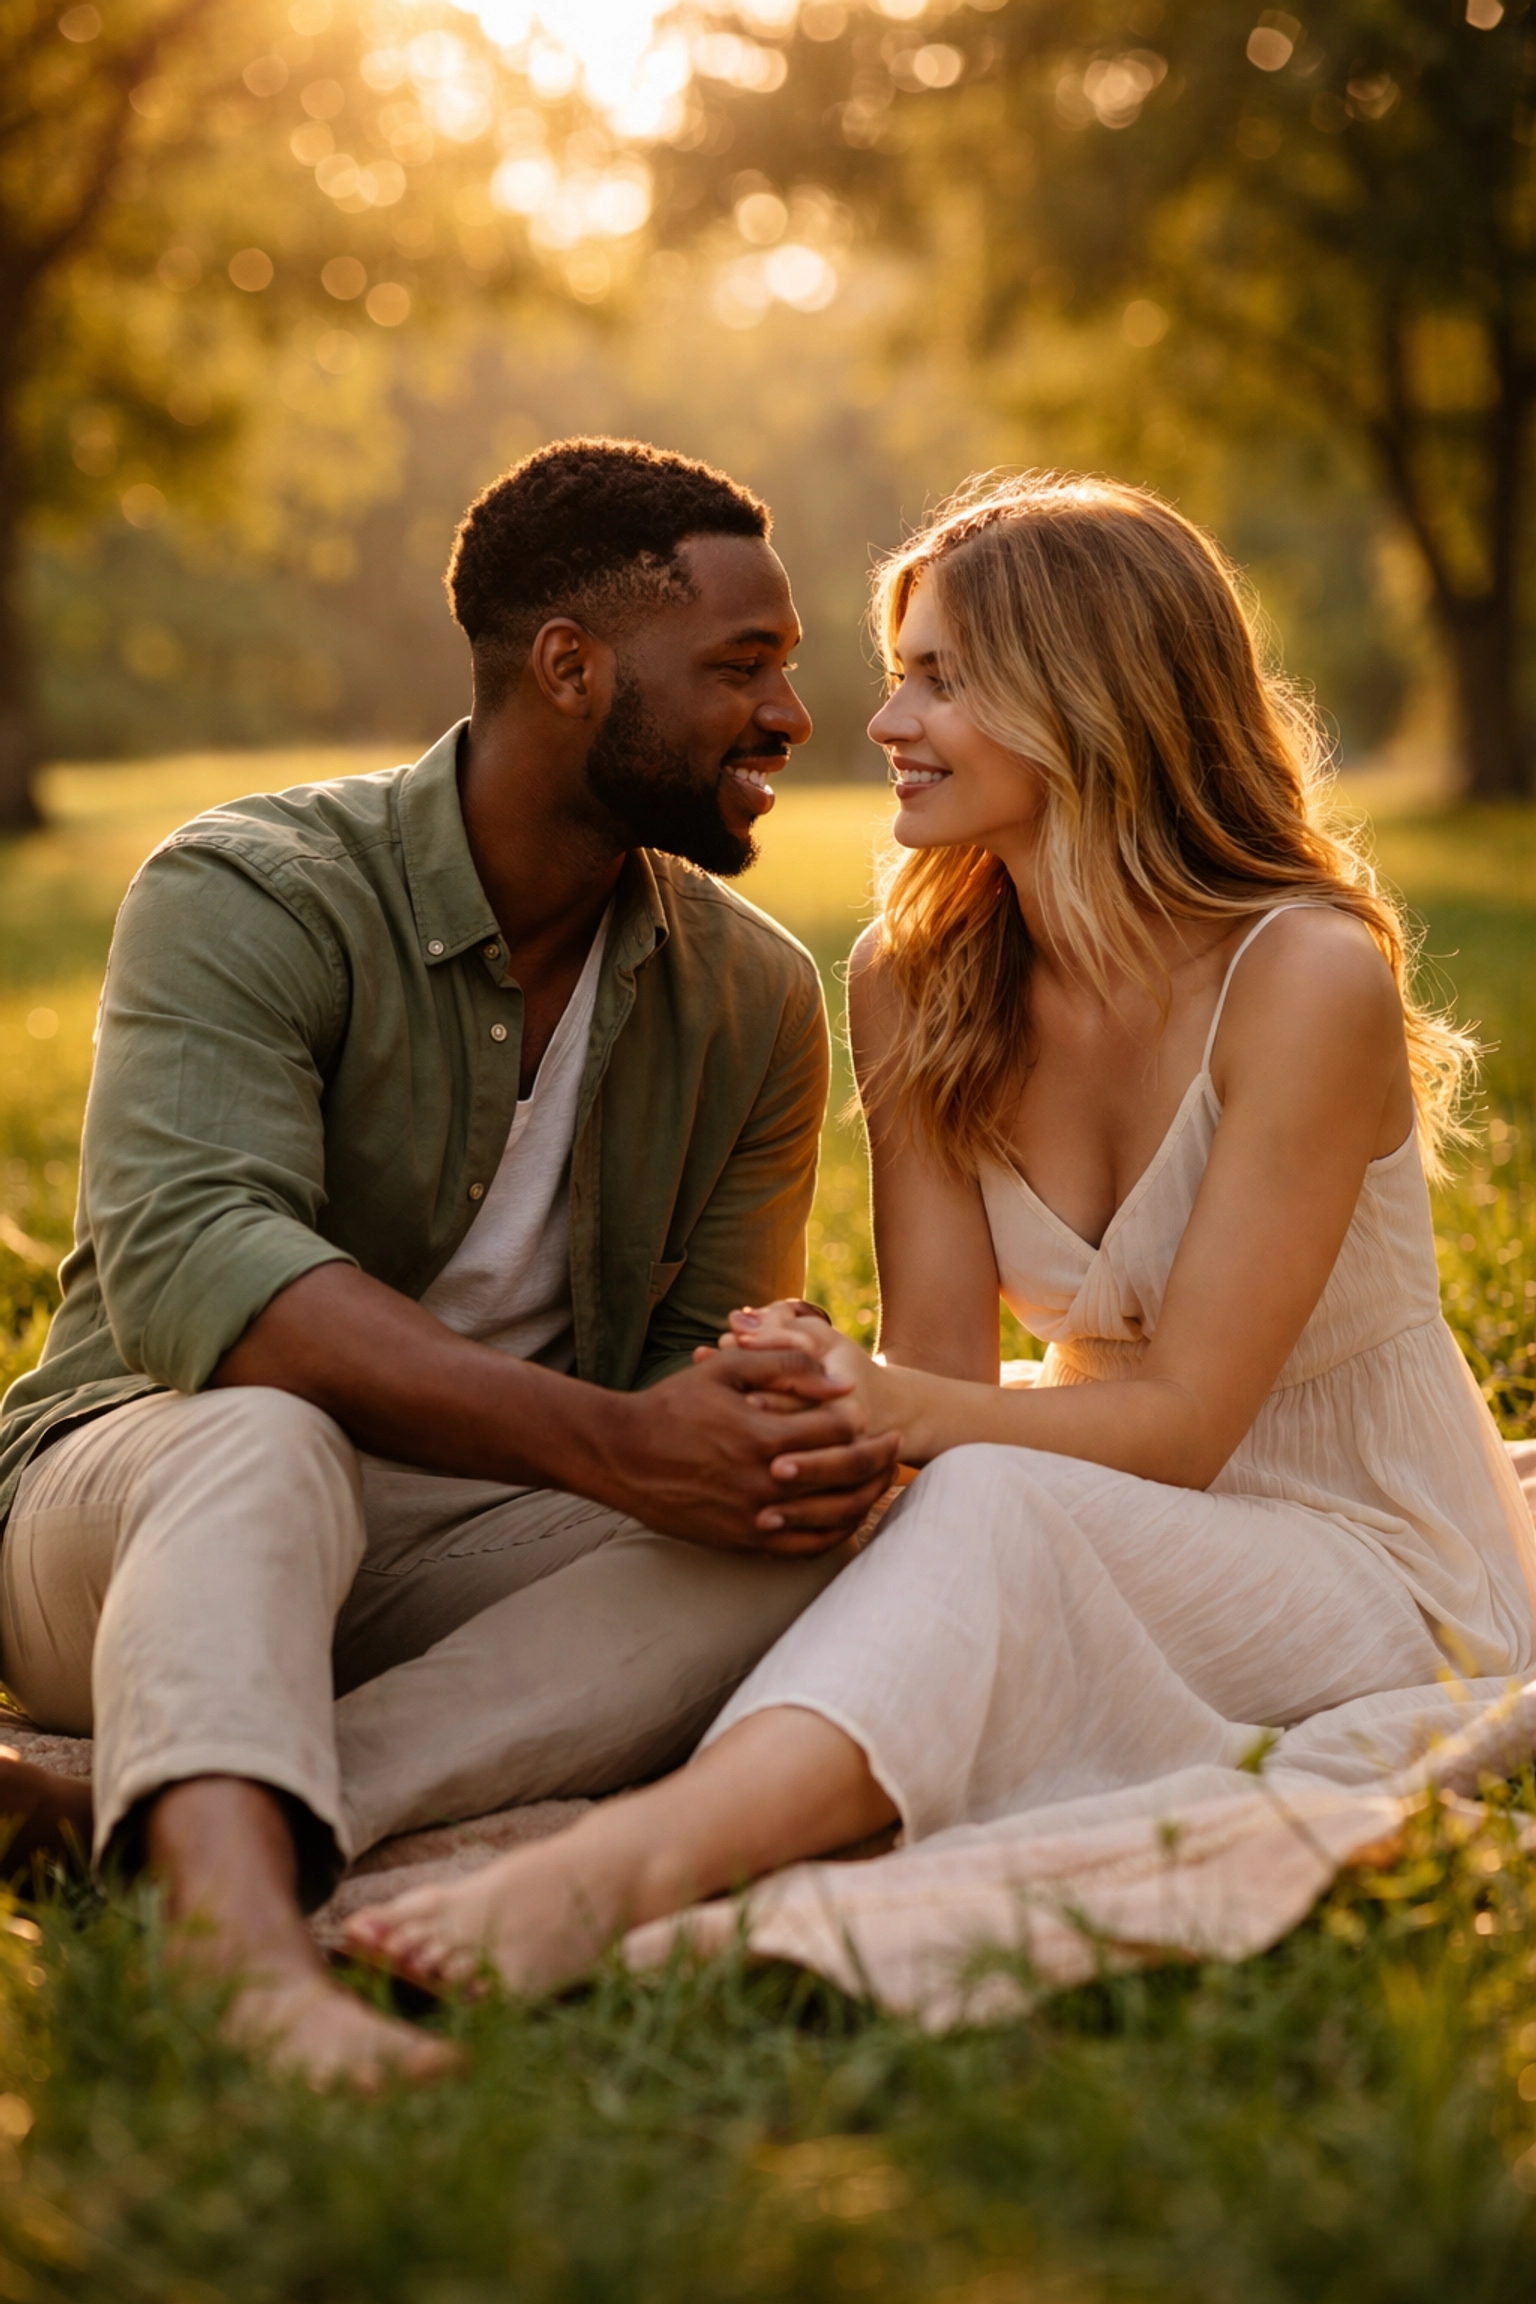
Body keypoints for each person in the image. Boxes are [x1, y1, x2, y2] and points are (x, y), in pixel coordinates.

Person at [343, 470, 1536, 1998]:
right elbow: (942, 1371)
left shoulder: (1302, 979)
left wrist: (907, 1411)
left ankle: (617, 1867)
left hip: (1363, 1550)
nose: (885, 723)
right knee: (873, 1510)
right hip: (1088, 1499)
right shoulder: (920, 983)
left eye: (942, 678)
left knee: (980, 1506)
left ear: (1091, 696)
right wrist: (831, 1400)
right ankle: (331, 1782)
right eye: (902, 672)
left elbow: (1184, 1426)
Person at [0, 437, 900, 2084]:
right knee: (265, 1438)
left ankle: (240, 1795)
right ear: (571, 667)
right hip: (139, 1499)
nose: (788, 717)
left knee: (828, 1519)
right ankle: (240, 1962)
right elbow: (207, 1274)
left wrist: (748, 1411)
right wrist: (626, 1446)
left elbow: (686, 1377)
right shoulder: (249, 890)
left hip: (461, 1545)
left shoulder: (756, 995)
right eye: (740, 667)